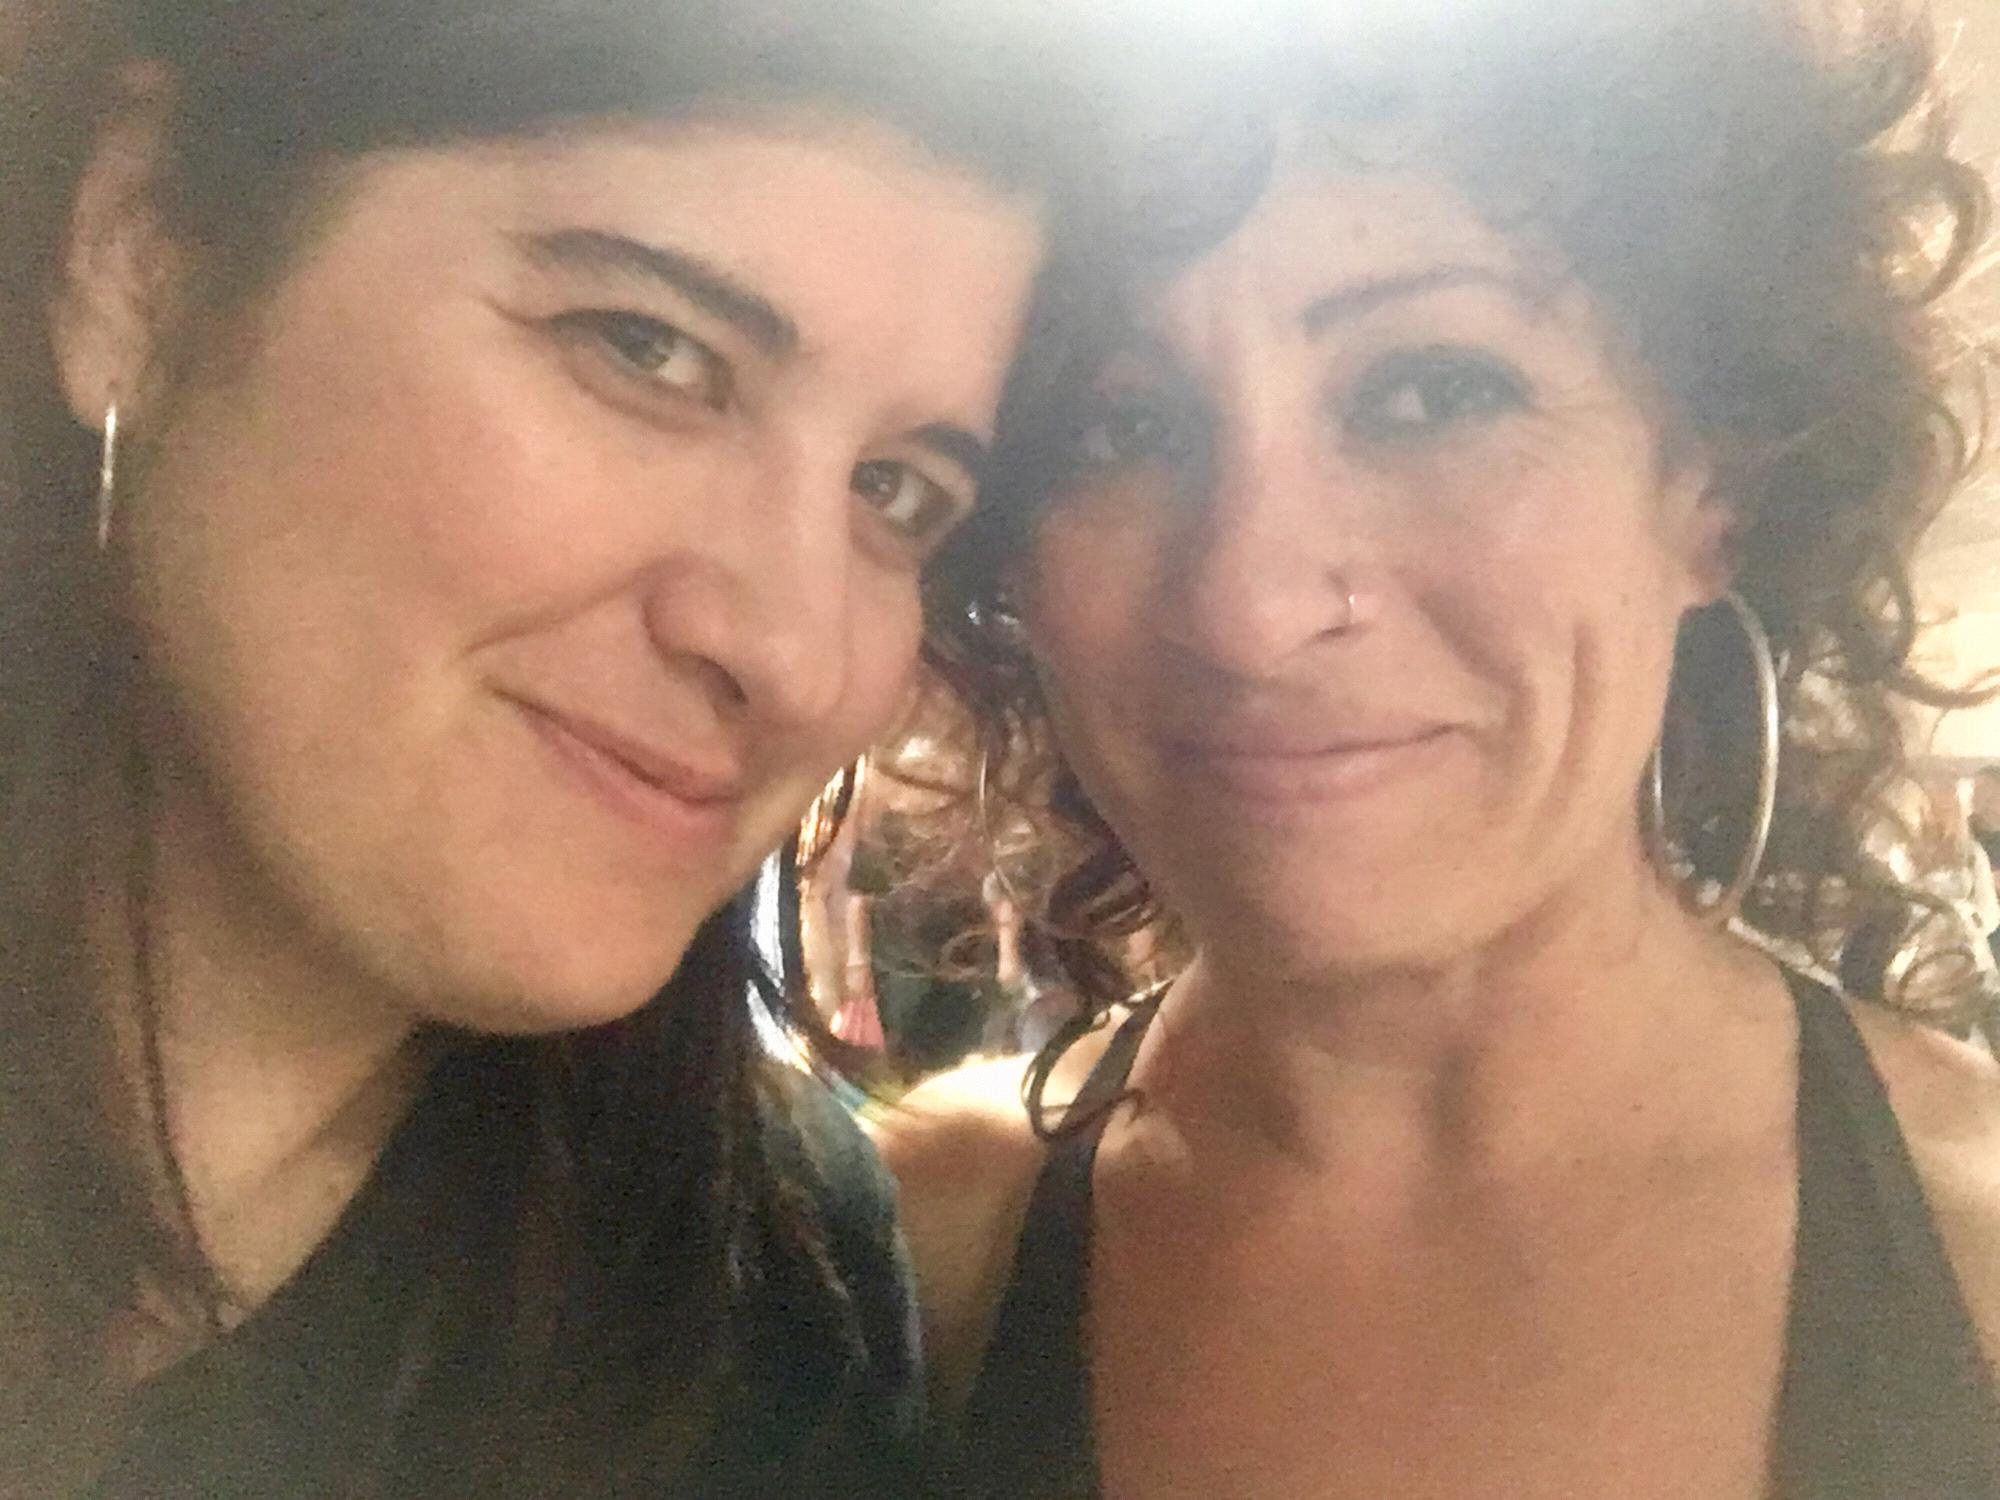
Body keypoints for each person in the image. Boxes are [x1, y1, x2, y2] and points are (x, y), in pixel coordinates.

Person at [881, 0, 2000, 1495]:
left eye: (1430, 394)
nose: (1249, 607)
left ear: (1711, 487)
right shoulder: (908, 1264)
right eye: (1118, 428)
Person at [0, 0, 1083, 1491]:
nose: (793, 653)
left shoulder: (772, 1310)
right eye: (649, 349)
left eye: (894, 492)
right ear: (138, 254)